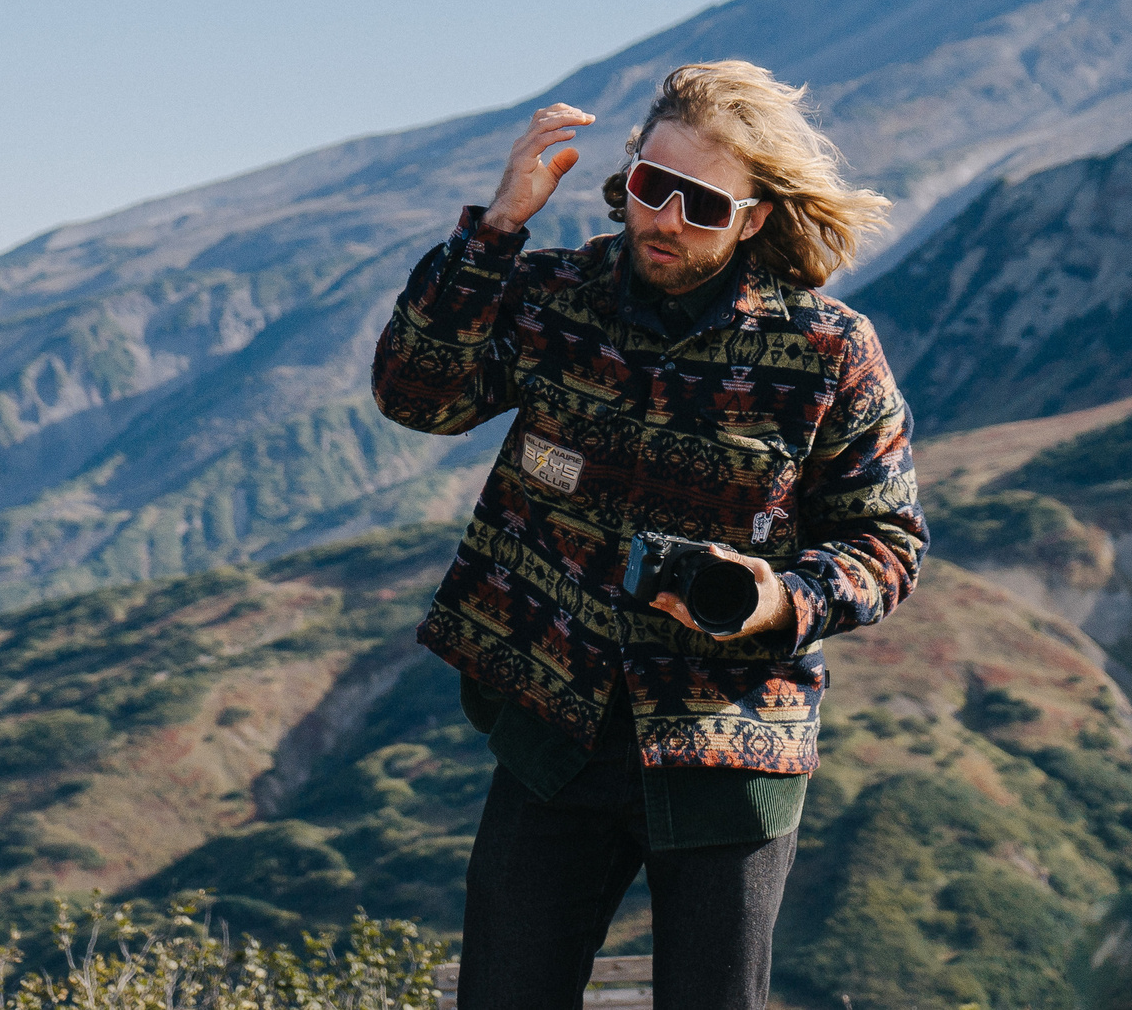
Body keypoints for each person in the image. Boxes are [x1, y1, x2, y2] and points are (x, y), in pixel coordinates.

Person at [372, 61, 926, 1010]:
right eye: (649, 186)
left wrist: (778, 598)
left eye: (701, 202)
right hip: (554, 729)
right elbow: (416, 393)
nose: (664, 217)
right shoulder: (557, 296)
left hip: (732, 746)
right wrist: (497, 230)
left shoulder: (828, 349)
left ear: (753, 218)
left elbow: (888, 540)